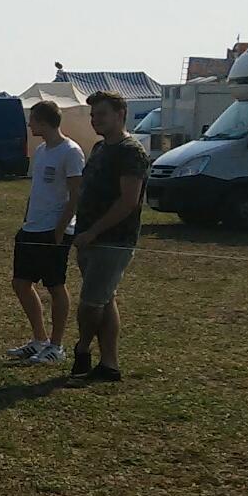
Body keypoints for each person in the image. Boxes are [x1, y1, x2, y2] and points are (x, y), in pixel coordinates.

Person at [69, 91, 151, 381]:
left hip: (112, 240)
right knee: (105, 299)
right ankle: (109, 365)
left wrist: (94, 231)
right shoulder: (100, 148)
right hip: (88, 238)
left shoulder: (131, 152)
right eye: (93, 115)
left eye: (101, 114)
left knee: (91, 303)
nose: (95, 120)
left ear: (120, 114)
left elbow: (128, 201)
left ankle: (82, 350)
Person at [8, 100, 84, 363]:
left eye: (32, 120)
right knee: (20, 283)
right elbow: (38, 189)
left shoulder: (71, 151)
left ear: (43, 122)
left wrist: (61, 229)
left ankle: (56, 345)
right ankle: (39, 339)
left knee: (55, 285)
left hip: (54, 229)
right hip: (32, 227)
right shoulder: (41, 151)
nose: (29, 125)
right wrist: (27, 217)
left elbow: (76, 195)